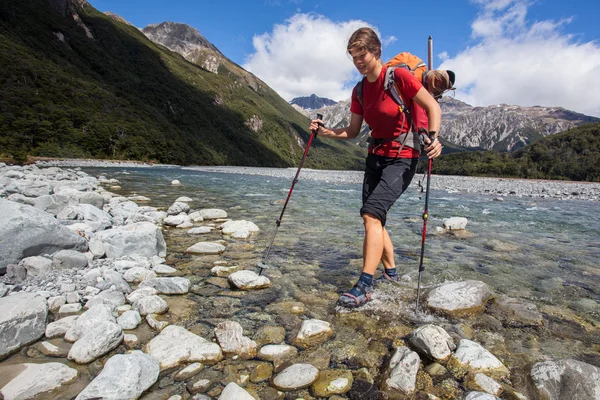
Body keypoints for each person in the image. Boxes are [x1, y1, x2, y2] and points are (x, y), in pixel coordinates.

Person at [309, 27, 443, 308]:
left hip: (404, 157)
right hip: (375, 157)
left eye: (363, 54)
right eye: (353, 56)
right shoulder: (359, 89)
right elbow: (354, 131)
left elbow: (432, 107)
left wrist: (434, 137)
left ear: (376, 52)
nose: (358, 61)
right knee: (375, 219)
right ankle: (391, 273)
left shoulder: (399, 77)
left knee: (371, 213)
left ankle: (364, 285)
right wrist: (326, 132)